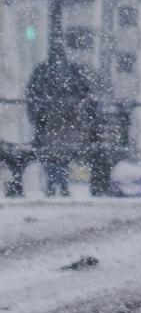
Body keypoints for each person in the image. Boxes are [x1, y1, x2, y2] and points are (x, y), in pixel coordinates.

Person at [25, 45, 95, 198]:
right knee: (61, 154)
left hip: (52, 122)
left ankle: (54, 184)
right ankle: (60, 184)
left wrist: (38, 113)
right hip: (65, 123)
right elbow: (85, 92)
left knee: (52, 154)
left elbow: (31, 93)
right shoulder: (73, 72)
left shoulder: (43, 71)